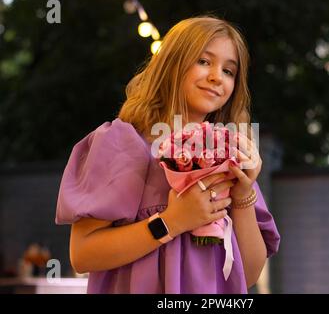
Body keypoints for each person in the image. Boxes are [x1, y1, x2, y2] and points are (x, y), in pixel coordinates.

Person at [55, 15, 280, 294]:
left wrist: (244, 194)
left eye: (229, 71)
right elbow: (83, 254)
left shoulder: (227, 157)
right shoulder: (122, 143)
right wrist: (172, 222)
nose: (216, 77)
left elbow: (247, 275)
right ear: (171, 64)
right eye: (204, 61)